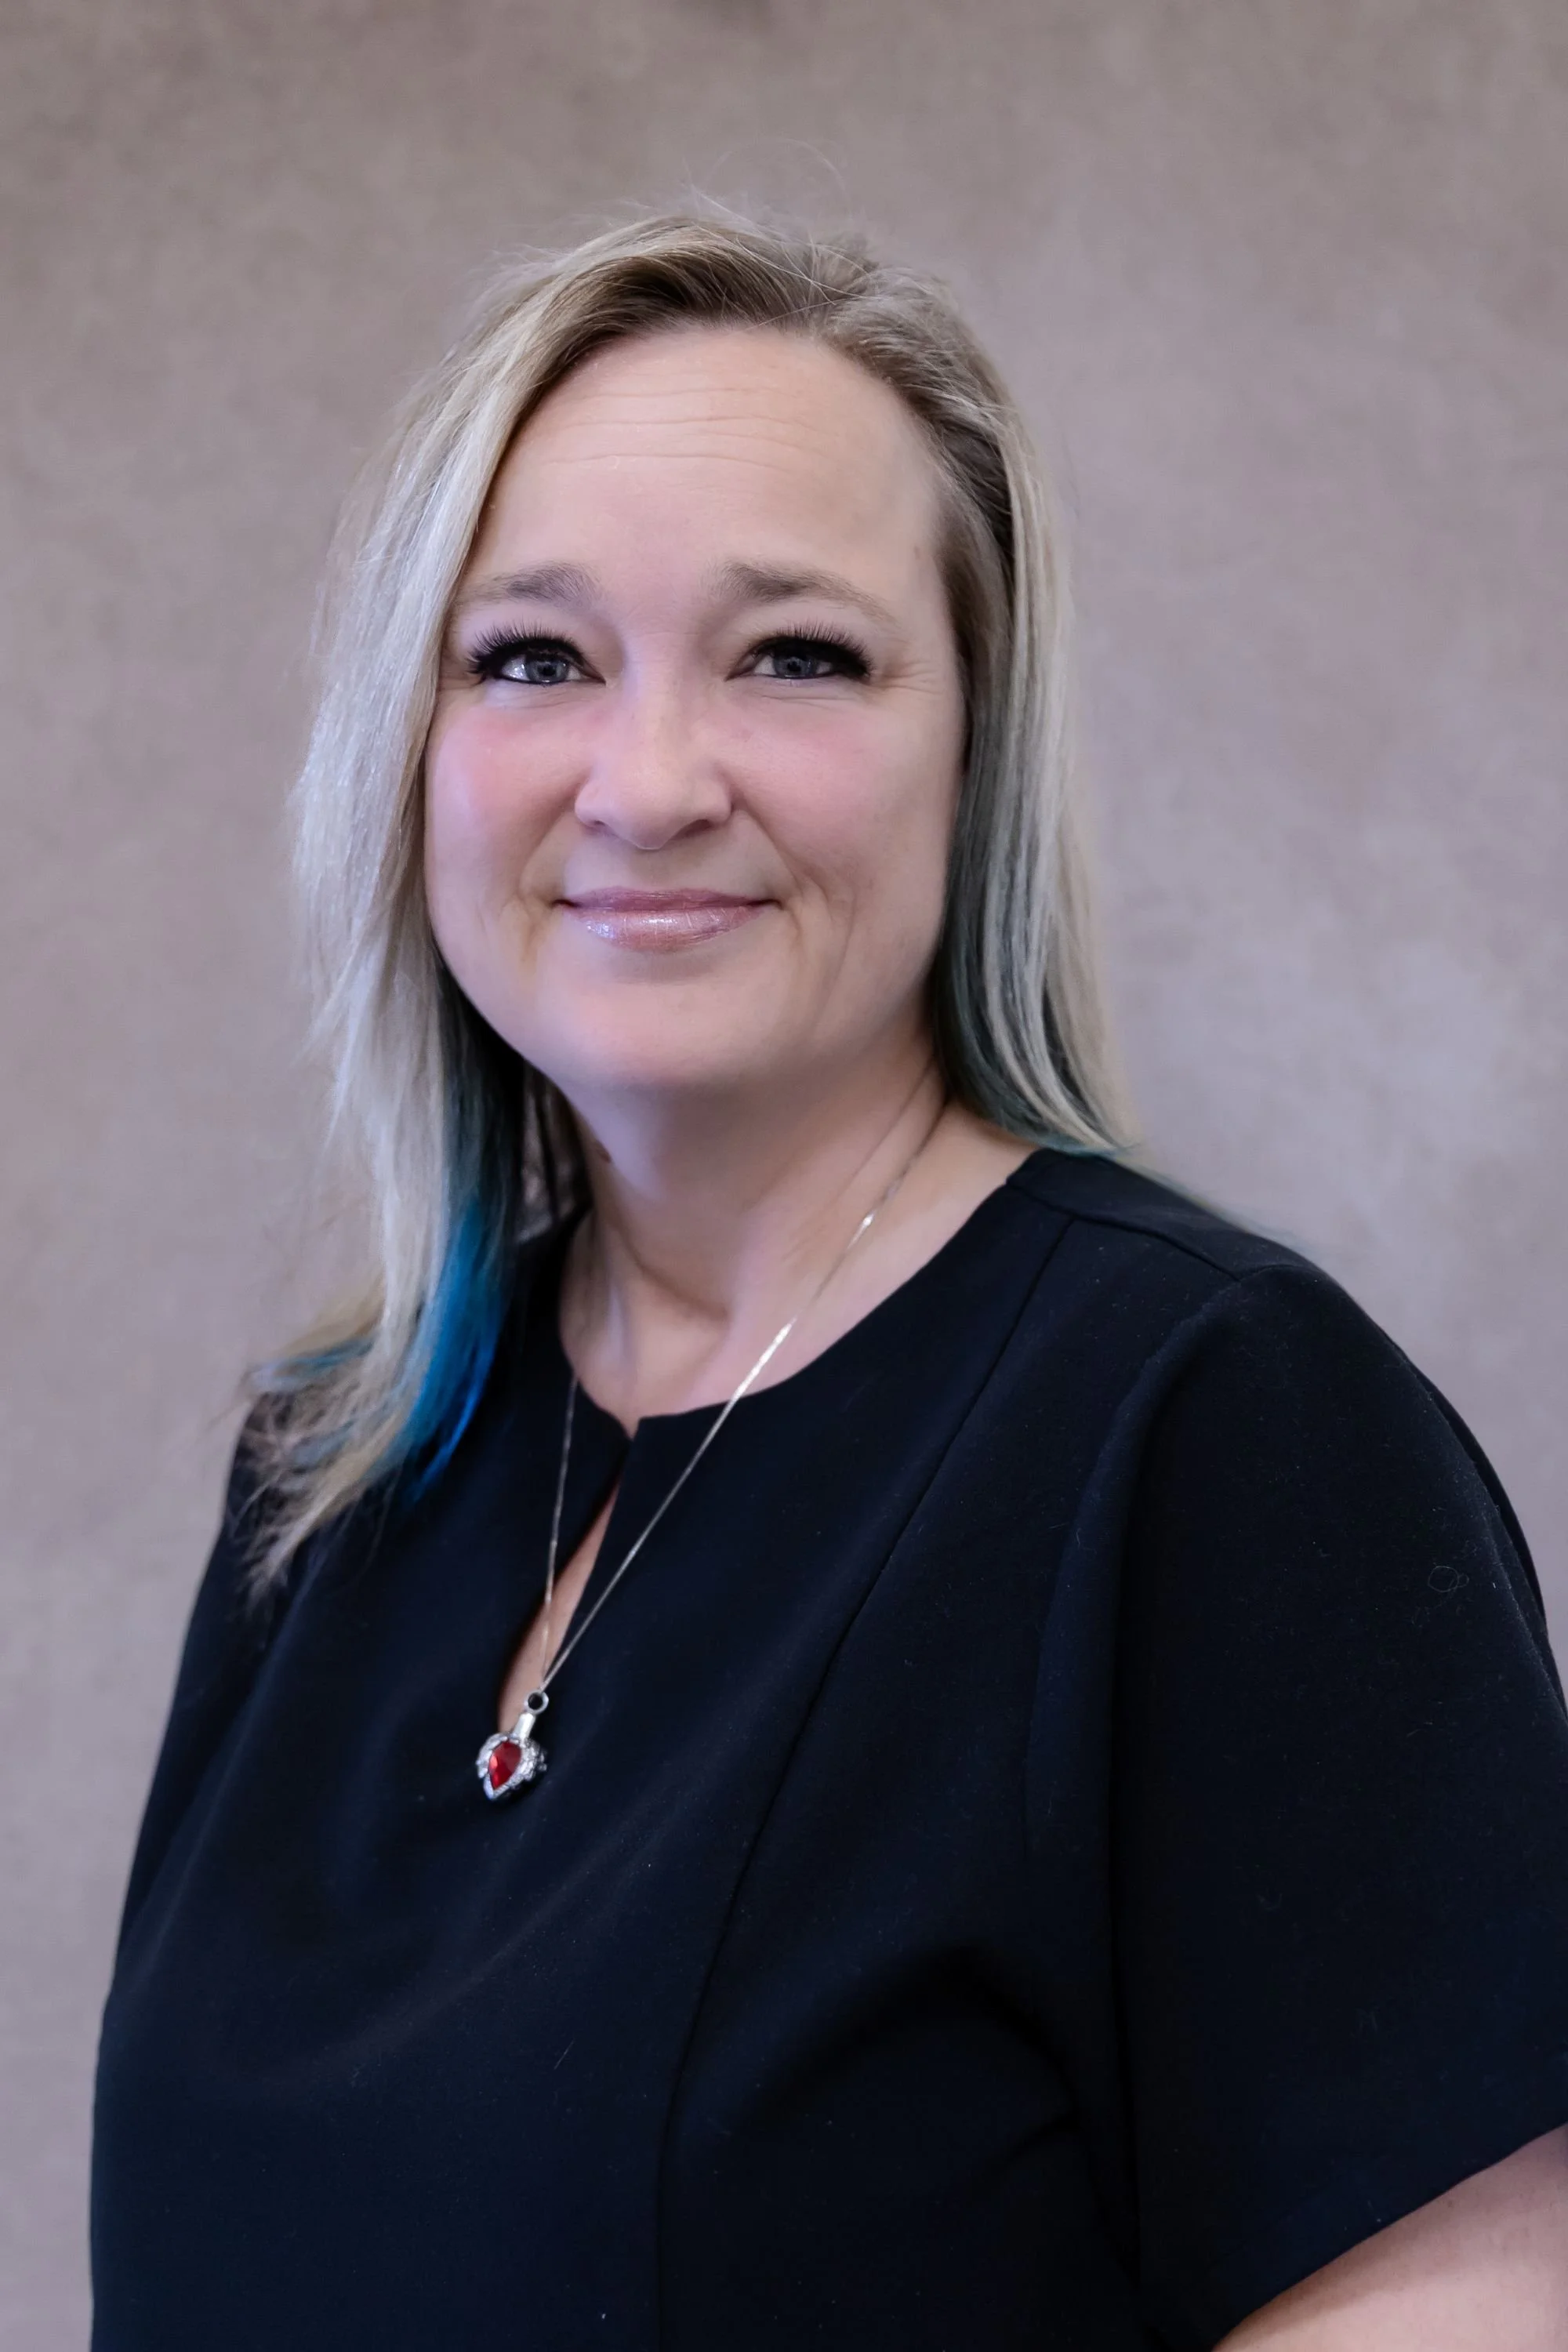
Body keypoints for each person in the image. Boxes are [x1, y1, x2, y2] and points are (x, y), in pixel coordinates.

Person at [91, 213, 1568, 2351]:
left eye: (797, 655)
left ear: (976, 752)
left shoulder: (1216, 1438)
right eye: (531, 656)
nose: (651, 780)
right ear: (410, 755)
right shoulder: (332, 1467)